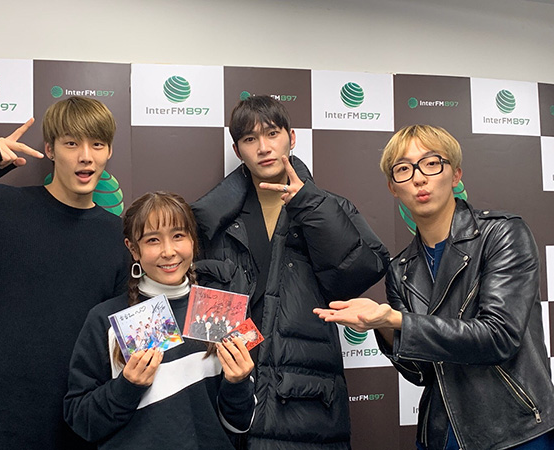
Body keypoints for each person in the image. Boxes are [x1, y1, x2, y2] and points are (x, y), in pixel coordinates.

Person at [314, 124, 554, 450]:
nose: (418, 178)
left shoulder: (502, 234)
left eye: (431, 163)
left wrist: (397, 320)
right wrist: (383, 326)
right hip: (441, 435)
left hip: (516, 430)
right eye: (403, 169)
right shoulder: (401, 270)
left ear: (455, 175)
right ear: (393, 187)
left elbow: (498, 338)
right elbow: (421, 373)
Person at [191, 95, 390, 449]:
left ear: (292, 137)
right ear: (237, 150)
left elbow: (362, 272)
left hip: (306, 398)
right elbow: (199, 312)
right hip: (232, 393)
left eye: (272, 133)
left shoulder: (328, 207)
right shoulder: (213, 223)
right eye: (250, 139)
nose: (263, 148)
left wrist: (310, 206)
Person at [0, 97, 130, 450]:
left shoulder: (119, 238)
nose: (86, 156)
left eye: (97, 144)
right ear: (50, 149)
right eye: (71, 143)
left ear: (109, 152)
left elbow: (120, 350)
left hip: (76, 431)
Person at [64, 192, 256, 449]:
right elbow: (81, 421)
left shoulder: (222, 312)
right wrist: (127, 387)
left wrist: (238, 383)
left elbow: (240, 424)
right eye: (153, 240)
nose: (168, 252)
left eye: (178, 236)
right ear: (134, 249)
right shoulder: (105, 320)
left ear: (192, 240)